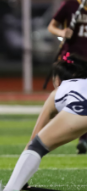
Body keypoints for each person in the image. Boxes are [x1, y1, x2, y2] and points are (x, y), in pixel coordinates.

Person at [0, 53, 87, 191]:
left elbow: (33, 142)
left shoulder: (57, 93)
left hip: (80, 109)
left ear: (58, 79)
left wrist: (21, 179)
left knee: (37, 146)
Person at [48, 0, 87, 154]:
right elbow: (52, 26)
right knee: (64, 101)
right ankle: (47, 136)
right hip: (71, 61)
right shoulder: (70, 4)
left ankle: (83, 138)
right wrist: (62, 33)